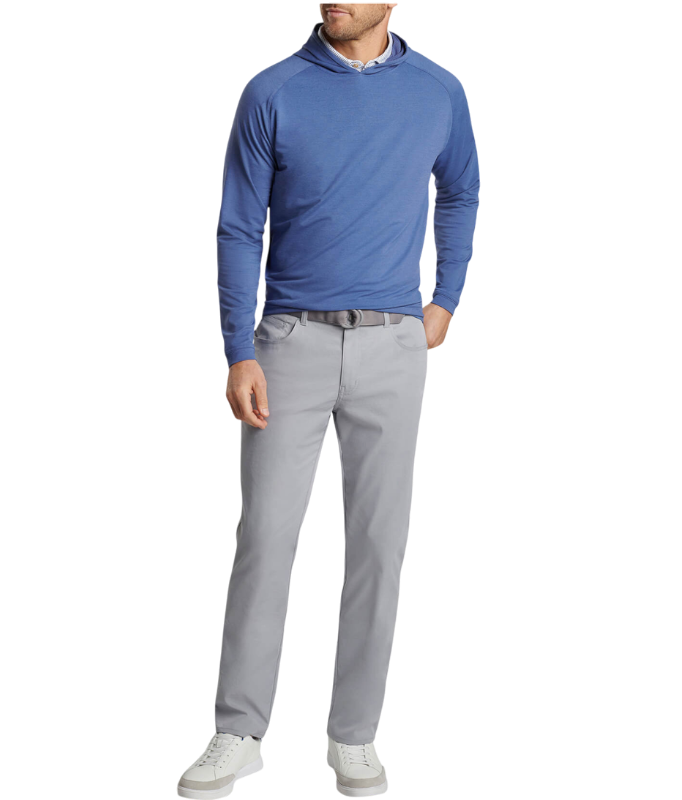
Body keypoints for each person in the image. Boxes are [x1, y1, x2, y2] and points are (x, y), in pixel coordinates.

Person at [177, 4, 479, 798]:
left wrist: (444, 299)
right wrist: (239, 348)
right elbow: (238, 225)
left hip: (393, 343)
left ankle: (354, 735)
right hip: (287, 342)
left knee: (380, 544)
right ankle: (239, 732)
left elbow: (460, 191)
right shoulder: (271, 91)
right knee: (265, 537)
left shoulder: (439, 90)